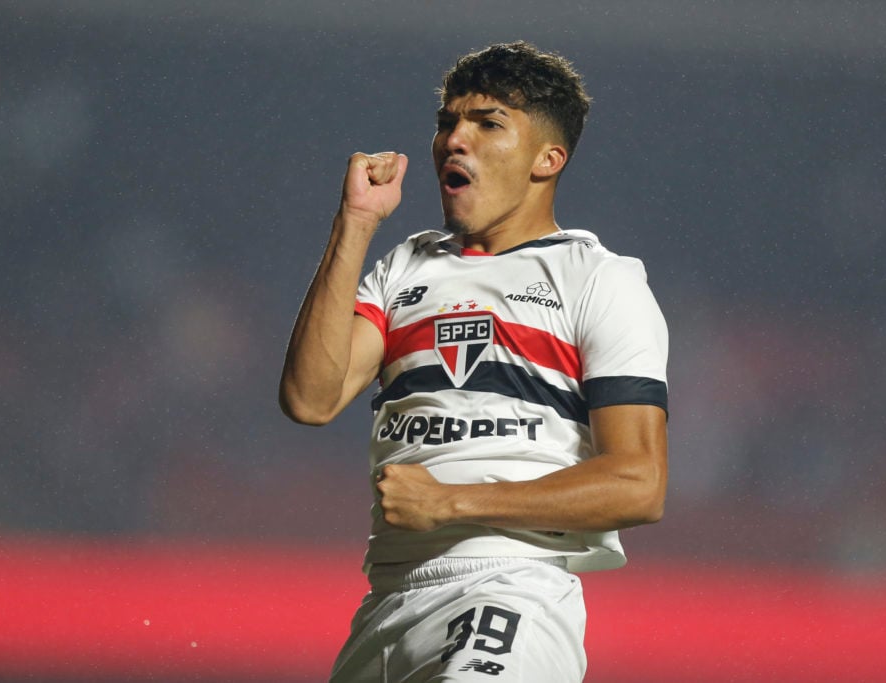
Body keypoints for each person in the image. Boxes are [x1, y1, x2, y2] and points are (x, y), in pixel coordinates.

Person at [279, 41, 668, 683]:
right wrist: (355, 223)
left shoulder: (599, 280)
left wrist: (453, 502)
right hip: (387, 602)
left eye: (488, 124)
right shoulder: (405, 266)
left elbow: (639, 482)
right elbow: (310, 399)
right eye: (447, 123)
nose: (455, 140)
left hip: (509, 588)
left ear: (549, 159)